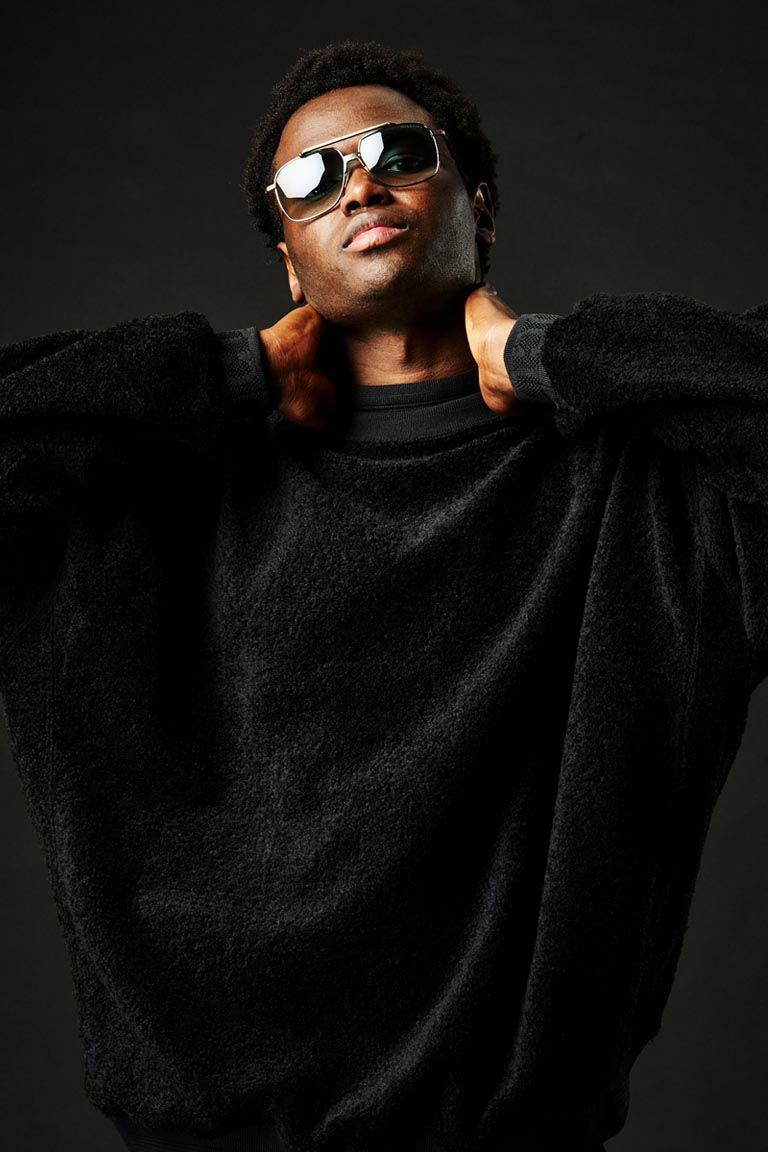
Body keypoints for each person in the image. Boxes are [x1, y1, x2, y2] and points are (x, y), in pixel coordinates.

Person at [2, 37, 767, 1152]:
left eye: (398, 152)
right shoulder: (143, 506)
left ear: (479, 206)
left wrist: (557, 355)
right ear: (288, 260)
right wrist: (221, 373)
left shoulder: (646, 493)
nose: (360, 185)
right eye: (312, 177)